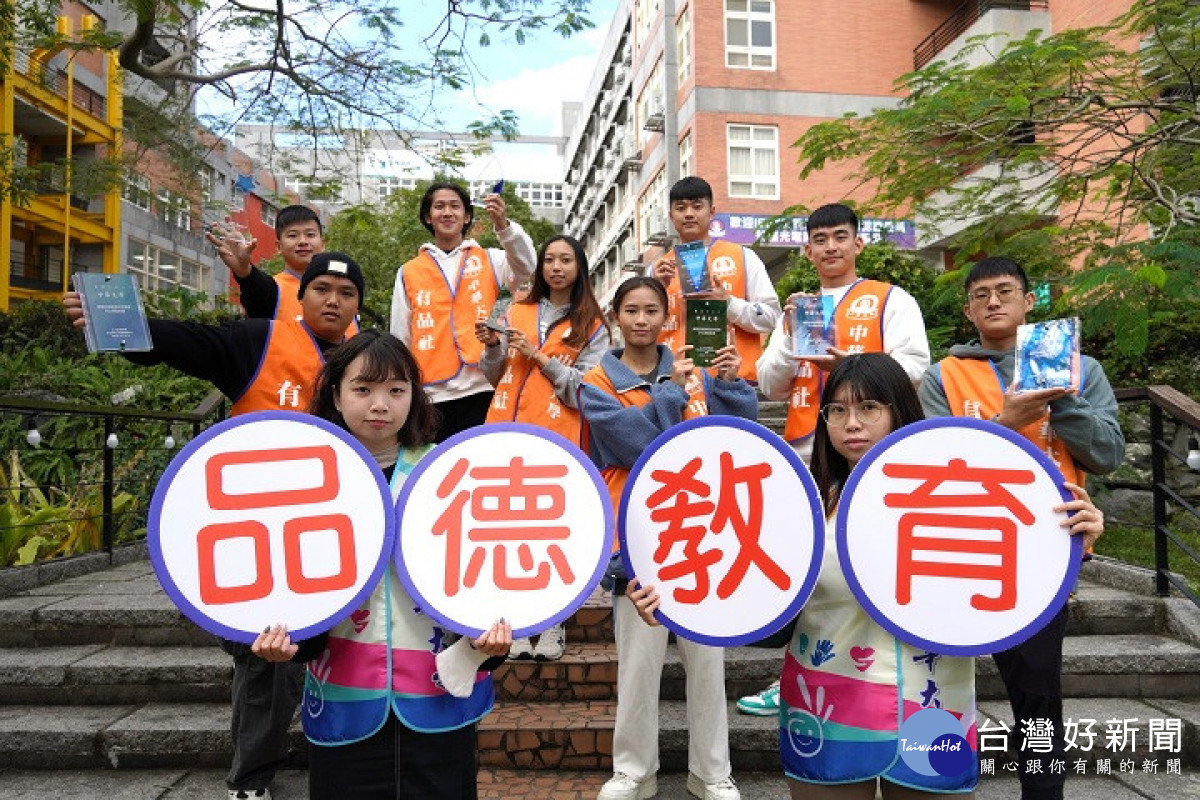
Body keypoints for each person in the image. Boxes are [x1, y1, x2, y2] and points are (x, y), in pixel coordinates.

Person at [629, 354, 1103, 798]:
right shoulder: (802, 507)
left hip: (935, 711)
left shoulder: (963, 501)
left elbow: (1017, 579)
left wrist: (1065, 538)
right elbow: (767, 614)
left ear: (902, 410)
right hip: (829, 712)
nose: (851, 423)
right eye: (836, 410)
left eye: (869, 407)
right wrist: (676, 606)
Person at [65, 252, 363, 800]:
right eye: (322, 288)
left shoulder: (364, 364)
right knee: (266, 662)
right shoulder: (260, 341)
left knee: (322, 656)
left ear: (358, 306)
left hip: (334, 540)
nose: (333, 300)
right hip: (253, 537)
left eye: (346, 293)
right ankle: (250, 782)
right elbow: (188, 342)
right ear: (301, 296)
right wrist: (119, 325)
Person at [251, 329, 512, 799]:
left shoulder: (451, 473)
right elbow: (293, 587)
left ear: (414, 396)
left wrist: (490, 637)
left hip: (439, 694)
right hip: (345, 701)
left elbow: (485, 573)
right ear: (335, 393)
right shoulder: (304, 477)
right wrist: (289, 642)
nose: (380, 404)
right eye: (363, 388)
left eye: (396, 390)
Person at [919, 256, 1124, 800]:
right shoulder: (943, 375)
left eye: (1005, 291)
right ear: (967, 310)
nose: (993, 301)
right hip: (956, 549)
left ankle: (1043, 793)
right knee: (929, 682)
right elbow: (932, 463)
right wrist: (1006, 422)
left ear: (1030, 301)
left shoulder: (1083, 370)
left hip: (1046, 549)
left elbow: (1106, 454)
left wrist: (1061, 397)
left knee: (1037, 695)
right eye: (981, 294)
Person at [740, 202, 930, 717]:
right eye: (819, 239)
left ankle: (888, 672)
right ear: (806, 249)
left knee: (870, 557)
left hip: (876, 453)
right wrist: (788, 336)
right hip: (806, 446)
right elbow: (768, 383)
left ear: (858, 243)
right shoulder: (799, 307)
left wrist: (847, 366)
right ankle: (798, 673)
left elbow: (915, 366)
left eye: (839, 237)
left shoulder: (889, 299)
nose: (830, 247)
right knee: (806, 567)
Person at [579, 276, 756, 800]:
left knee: (708, 660)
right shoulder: (596, 381)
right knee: (637, 664)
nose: (640, 319)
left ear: (666, 318)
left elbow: (737, 434)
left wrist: (728, 382)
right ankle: (633, 770)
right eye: (630, 310)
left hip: (702, 534)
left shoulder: (694, 370)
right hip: (637, 540)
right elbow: (637, 445)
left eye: (650, 310)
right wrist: (674, 393)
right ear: (616, 317)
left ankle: (712, 772)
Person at [474, 234, 611, 661]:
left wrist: (539, 356)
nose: (555, 267)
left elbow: (587, 390)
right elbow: (494, 375)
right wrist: (493, 347)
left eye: (565, 260)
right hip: (506, 433)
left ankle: (552, 624)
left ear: (580, 267)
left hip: (558, 440)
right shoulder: (516, 308)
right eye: (549, 259)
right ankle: (514, 622)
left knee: (552, 534)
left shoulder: (594, 325)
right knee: (509, 533)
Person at [390, 181, 537, 442]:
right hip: (431, 396)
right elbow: (400, 336)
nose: (447, 212)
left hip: (485, 388)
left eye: (455, 206)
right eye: (439, 207)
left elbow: (527, 265)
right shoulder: (408, 271)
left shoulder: (492, 259)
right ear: (428, 217)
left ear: (467, 215)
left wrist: (503, 225)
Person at [651, 176, 780, 383]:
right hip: (676, 385)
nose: (689, 214)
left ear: (712, 211)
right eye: (681, 208)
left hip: (733, 382)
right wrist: (656, 290)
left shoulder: (743, 256)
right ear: (671, 216)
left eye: (697, 206)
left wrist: (728, 303)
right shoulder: (658, 270)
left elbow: (771, 317)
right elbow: (643, 330)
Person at [208, 204, 358, 334]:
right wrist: (244, 272)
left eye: (310, 235)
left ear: (322, 243)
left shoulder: (347, 290)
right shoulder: (273, 290)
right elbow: (255, 287)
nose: (303, 241)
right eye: (293, 235)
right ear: (279, 246)